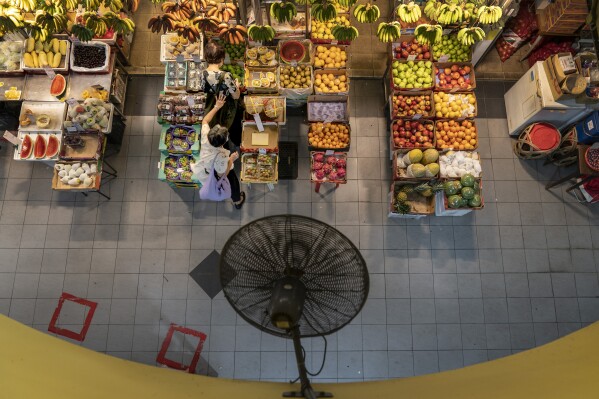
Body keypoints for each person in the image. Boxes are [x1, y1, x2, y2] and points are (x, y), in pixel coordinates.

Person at [192, 93, 246, 209]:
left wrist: (217, 106)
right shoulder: (221, 158)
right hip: (216, 169)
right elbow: (223, 174)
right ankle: (236, 200)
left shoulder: (206, 135)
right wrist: (231, 160)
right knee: (233, 181)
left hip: (207, 163)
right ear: (223, 143)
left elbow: (205, 120)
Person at [201, 40, 242, 141]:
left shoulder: (200, 74)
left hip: (208, 112)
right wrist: (236, 86)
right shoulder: (226, 76)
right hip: (224, 114)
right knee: (223, 133)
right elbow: (236, 96)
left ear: (206, 58)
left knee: (212, 134)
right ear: (222, 59)